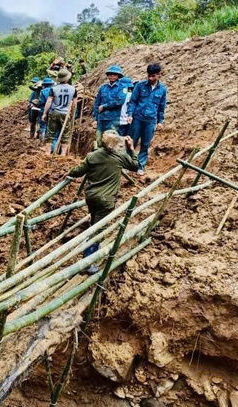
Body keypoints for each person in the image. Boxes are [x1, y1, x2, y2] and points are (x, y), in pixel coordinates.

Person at [68, 130, 138, 273]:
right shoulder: (119, 157)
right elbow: (136, 166)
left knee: (94, 223)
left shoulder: (92, 156)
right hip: (106, 200)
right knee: (98, 230)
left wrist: (69, 173)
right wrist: (131, 148)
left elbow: (78, 171)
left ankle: (92, 249)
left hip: (91, 197)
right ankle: (87, 262)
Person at [126, 63, 168, 175]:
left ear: (159, 75)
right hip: (137, 118)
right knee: (131, 142)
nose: (150, 78)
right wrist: (130, 114)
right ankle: (127, 164)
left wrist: (160, 121)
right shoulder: (140, 86)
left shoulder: (162, 90)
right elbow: (133, 101)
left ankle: (140, 166)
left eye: (153, 76)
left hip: (150, 120)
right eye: (149, 76)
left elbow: (161, 107)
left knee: (145, 144)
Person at [42, 69, 77, 156]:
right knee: (65, 135)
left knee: (50, 133)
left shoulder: (54, 89)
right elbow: (74, 104)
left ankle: (47, 153)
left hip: (54, 113)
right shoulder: (73, 89)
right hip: (65, 114)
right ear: (68, 79)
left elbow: (49, 101)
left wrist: (44, 113)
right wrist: (72, 113)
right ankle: (63, 154)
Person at [92, 65, 126, 148]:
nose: (112, 76)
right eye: (110, 74)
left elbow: (119, 101)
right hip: (101, 119)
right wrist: (95, 119)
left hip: (113, 120)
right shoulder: (102, 88)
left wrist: (105, 106)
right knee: (99, 141)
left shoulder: (122, 88)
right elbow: (97, 104)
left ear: (118, 76)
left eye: (114, 74)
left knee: (111, 142)